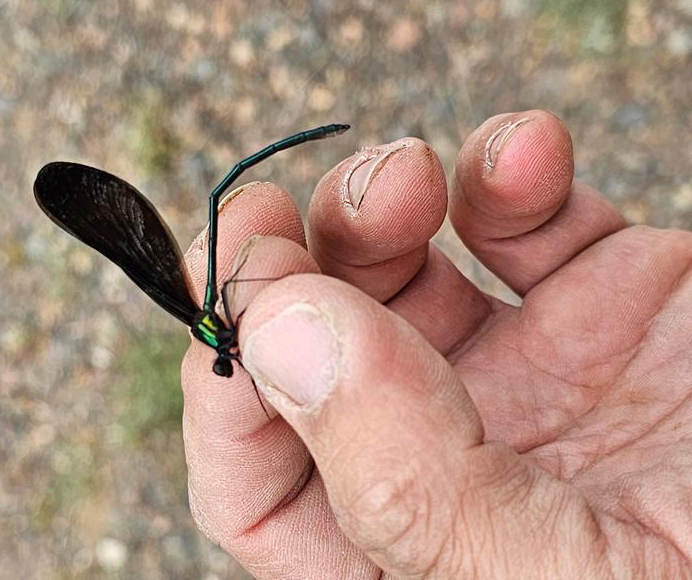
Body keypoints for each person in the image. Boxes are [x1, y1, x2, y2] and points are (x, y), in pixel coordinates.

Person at [181, 110, 692, 578]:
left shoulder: (225, 328)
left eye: (228, 361)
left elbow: (234, 289)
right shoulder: (223, 332)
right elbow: (232, 291)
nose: (234, 361)